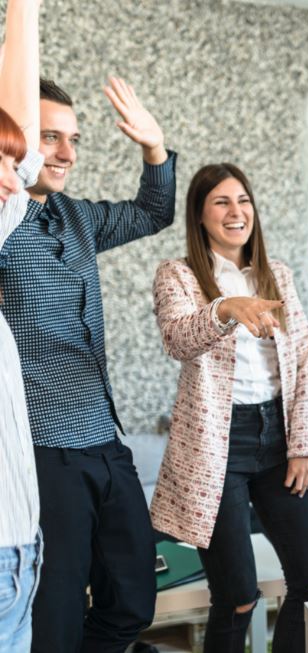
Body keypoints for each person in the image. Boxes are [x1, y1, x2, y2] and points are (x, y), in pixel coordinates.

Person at [0, 71, 176, 651]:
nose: (67, 153)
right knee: (53, 614)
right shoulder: (2, 226)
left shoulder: (78, 219)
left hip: (104, 438)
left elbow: (153, 211)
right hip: (42, 450)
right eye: (51, 137)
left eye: (73, 139)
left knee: (132, 600)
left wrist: (153, 146)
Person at [152, 163, 308, 653]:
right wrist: (226, 309)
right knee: (236, 597)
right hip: (218, 447)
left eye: (244, 201)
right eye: (222, 202)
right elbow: (178, 338)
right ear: (200, 214)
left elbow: (303, 358)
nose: (237, 212)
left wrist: (305, 446)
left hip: (279, 438)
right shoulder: (180, 274)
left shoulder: (275, 274)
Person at [0, 1, 43, 650]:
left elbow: (27, 156)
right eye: (2, 165)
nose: (17, 182)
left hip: (19, 549)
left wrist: (23, 9)